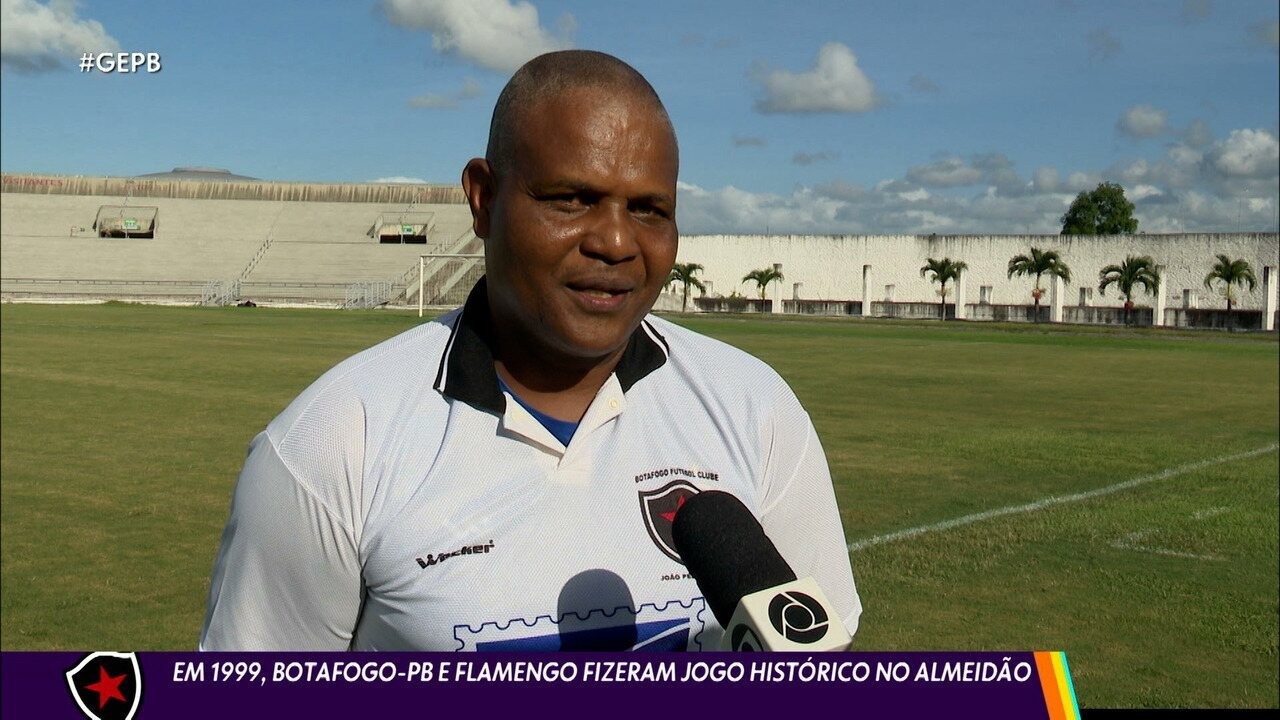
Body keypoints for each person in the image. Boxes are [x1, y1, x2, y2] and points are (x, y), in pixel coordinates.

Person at [200, 50, 860, 651]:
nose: (616, 241)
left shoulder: (756, 408)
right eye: (573, 199)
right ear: (483, 199)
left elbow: (817, 660)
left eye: (650, 210)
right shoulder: (332, 445)